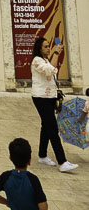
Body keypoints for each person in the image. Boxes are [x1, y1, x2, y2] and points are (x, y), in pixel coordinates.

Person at [30, 36, 77, 172]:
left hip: (49, 97)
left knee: (46, 126)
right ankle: (62, 162)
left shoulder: (45, 60)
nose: (48, 48)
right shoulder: (37, 61)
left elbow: (51, 79)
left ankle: (42, 155)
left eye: (48, 46)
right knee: (52, 128)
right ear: (39, 48)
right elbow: (50, 70)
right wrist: (57, 53)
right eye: (45, 46)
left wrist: (55, 99)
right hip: (40, 97)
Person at [0, 137, 47, 209]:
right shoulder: (33, 179)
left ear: (10, 158)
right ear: (29, 161)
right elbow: (43, 206)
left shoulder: (5, 177)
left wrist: (7, 202)